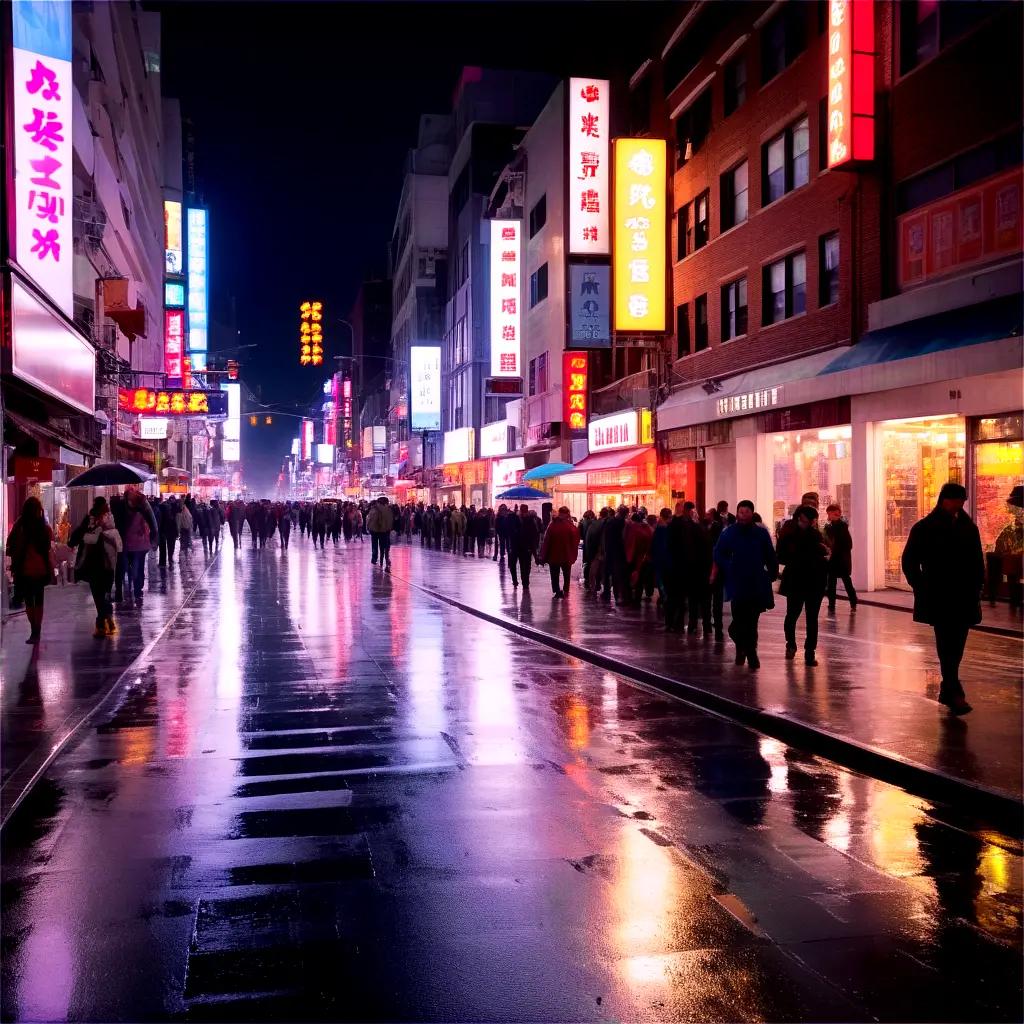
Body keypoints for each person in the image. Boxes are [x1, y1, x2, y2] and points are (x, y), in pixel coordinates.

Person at [901, 482, 985, 715]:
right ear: (945, 500)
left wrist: (979, 585)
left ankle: (948, 688)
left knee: (957, 643)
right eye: (958, 500)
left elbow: (977, 560)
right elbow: (909, 561)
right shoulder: (925, 528)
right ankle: (955, 691)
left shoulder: (968, 528)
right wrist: (921, 586)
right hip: (940, 594)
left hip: (965, 594)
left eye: (963, 501)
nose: (960, 505)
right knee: (947, 642)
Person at [712, 500, 778, 670]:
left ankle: (750, 652)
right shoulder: (729, 533)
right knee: (738, 621)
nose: (743, 515)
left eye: (747, 512)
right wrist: (728, 565)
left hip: (756, 581)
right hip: (737, 582)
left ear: (752, 513)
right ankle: (745, 649)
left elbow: (770, 554)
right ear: (737, 513)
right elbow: (718, 552)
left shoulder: (760, 534)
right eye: (741, 512)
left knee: (752, 621)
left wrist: (772, 572)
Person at [777, 505, 830, 666]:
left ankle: (804, 649)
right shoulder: (796, 536)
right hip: (803, 581)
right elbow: (782, 556)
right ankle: (797, 647)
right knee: (800, 616)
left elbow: (782, 556)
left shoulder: (813, 536)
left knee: (801, 616)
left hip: (808, 582)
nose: (805, 522)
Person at [71, 497, 123, 637]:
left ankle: (101, 624)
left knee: (98, 594)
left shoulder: (90, 519)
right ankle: (108, 619)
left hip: (93, 563)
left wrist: (72, 543)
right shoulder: (110, 519)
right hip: (108, 562)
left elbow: (79, 532)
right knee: (105, 592)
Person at [5, 496, 53, 644]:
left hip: (23, 569)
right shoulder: (43, 527)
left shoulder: (20, 525)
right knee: (39, 600)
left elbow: (9, 544)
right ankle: (37, 631)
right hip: (40, 569)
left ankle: (33, 630)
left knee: (29, 601)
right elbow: (48, 546)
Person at [122, 488, 157, 604]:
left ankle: (137, 588)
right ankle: (137, 587)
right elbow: (151, 526)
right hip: (134, 545)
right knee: (136, 566)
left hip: (137, 545)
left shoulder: (139, 513)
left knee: (136, 566)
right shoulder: (135, 512)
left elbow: (149, 526)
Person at [822, 503, 857, 612]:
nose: (828, 516)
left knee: (845, 582)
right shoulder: (831, 526)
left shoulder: (841, 526)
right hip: (835, 560)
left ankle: (852, 602)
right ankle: (833, 604)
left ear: (834, 513)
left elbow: (847, 544)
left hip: (841, 560)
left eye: (829, 514)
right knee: (833, 583)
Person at [539, 506, 580, 597]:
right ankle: (566, 590)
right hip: (566, 555)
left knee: (554, 574)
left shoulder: (552, 525)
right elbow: (575, 541)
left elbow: (546, 541)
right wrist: (573, 553)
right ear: (567, 514)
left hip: (553, 555)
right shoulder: (571, 526)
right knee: (566, 574)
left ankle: (557, 591)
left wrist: (543, 555)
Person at [506, 503, 540, 589]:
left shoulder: (530, 520)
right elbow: (509, 530)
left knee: (524, 566)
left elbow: (534, 534)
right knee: (514, 565)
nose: (524, 513)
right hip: (516, 545)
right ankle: (517, 581)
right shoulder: (514, 518)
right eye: (522, 511)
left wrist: (534, 548)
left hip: (524, 546)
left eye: (525, 511)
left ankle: (525, 582)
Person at [366, 495, 394, 569]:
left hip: (374, 530)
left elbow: (369, 519)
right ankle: (385, 559)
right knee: (384, 546)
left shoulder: (374, 509)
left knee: (374, 545)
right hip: (384, 531)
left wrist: (368, 527)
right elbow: (390, 521)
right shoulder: (388, 510)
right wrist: (388, 529)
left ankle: (374, 558)